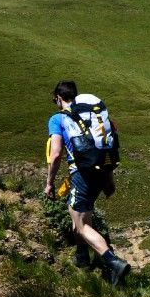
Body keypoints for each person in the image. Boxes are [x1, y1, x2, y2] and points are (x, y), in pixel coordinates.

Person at [45, 80, 130, 286]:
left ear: (58, 98)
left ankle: (113, 263)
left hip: (82, 174)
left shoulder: (58, 119)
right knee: (80, 216)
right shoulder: (93, 117)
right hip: (101, 171)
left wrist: (49, 183)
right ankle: (82, 258)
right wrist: (109, 179)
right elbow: (105, 147)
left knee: (81, 224)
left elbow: (55, 154)